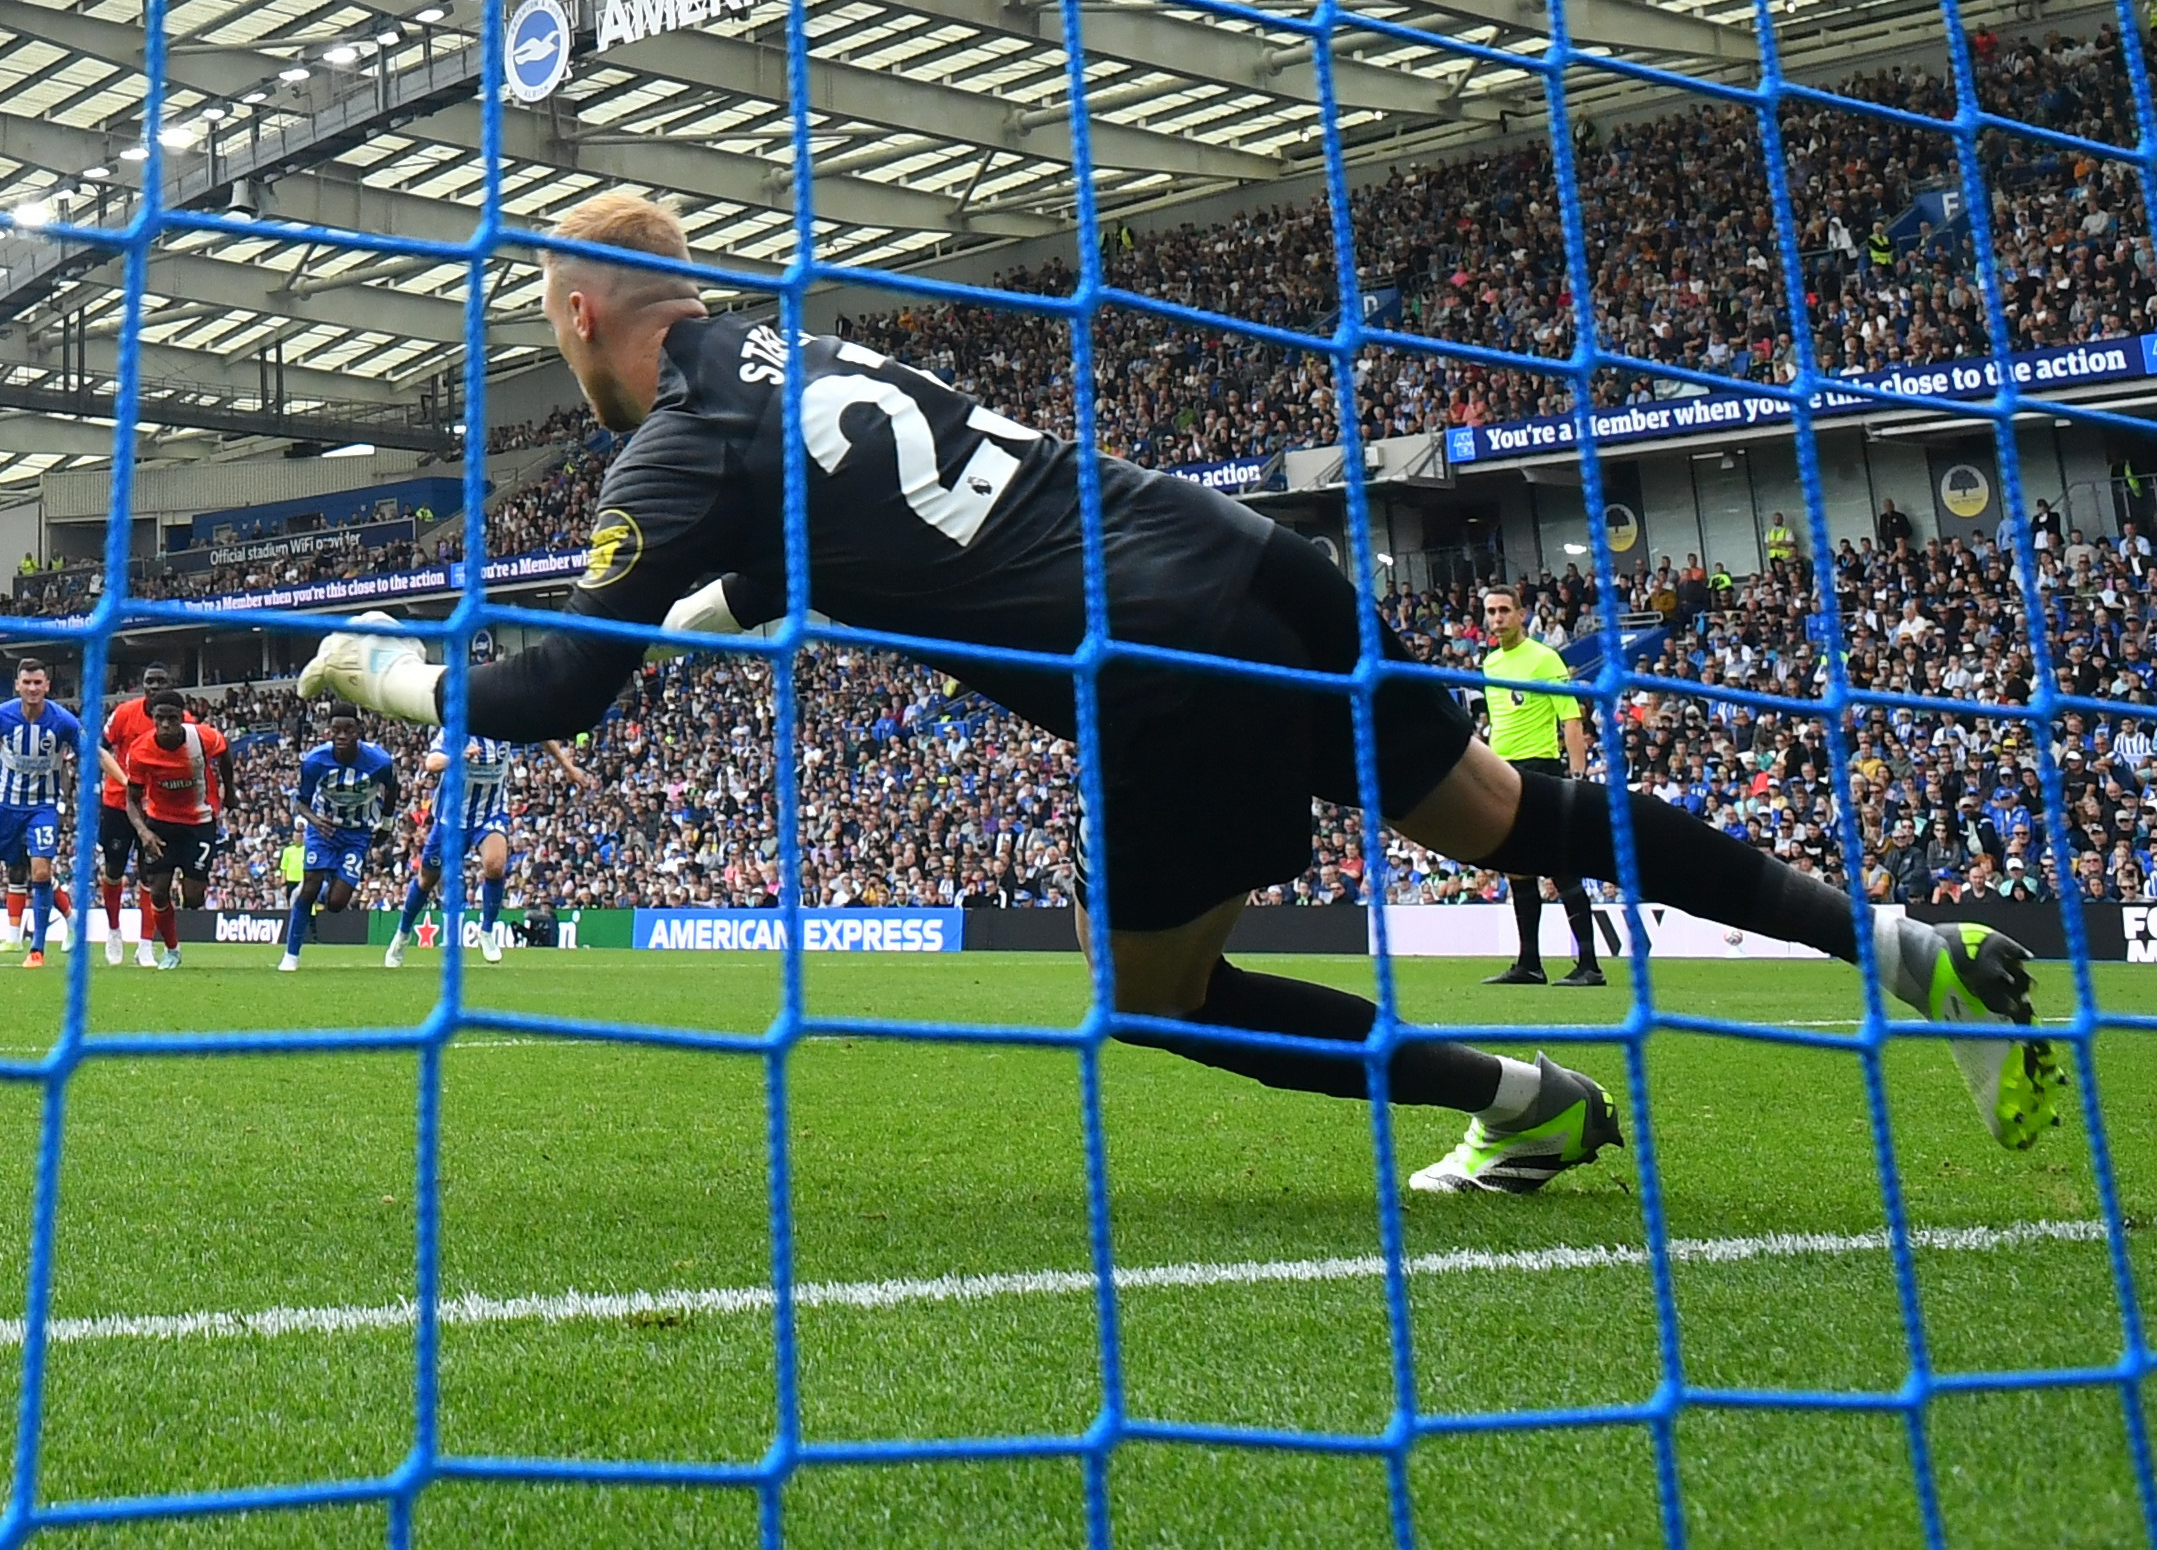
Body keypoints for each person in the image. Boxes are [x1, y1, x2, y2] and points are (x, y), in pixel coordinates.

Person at [300, 192, 2064, 1195]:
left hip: (1156, 661)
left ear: (591, 310)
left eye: (552, 331)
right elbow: (803, 550)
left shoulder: (676, 439)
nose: (562, 357)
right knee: (1515, 818)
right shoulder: (802, 353)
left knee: (1155, 997)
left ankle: (1514, 1098)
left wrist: (375, 667)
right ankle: (1907, 948)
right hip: (1244, 558)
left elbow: (547, 700)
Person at [391, 698, 593, 969]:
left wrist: (568, 767)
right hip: (451, 819)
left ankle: (486, 931)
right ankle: (402, 935)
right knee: (427, 879)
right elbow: (431, 762)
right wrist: (457, 757)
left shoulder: (507, 725)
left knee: (495, 866)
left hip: (490, 814)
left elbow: (543, 735)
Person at [1475, 587, 1608, 988]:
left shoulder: (1545, 658)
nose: (1497, 618)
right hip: (1503, 769)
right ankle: (1529, 963)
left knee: (1560, 862)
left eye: (1504, 610)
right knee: (1516, 866)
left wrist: (1578, 777)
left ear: (1521, 614)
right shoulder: (1490, 663)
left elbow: (1570, 718)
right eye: (1490, 612)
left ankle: (1590, 965)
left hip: (1541, 768)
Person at [0, 659, 78, 969]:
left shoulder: (63, 722)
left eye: (38, 682)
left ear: (47, 685)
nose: (33, 688)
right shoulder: (3, 716)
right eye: (27, 682)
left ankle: (37, 949)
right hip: (4, 805)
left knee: (41, 872)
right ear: (17, 685)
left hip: (43, 807)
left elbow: (86, 757)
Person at [285, 701, 401, 971]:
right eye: (335, 729)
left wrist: (386, 824)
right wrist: (315, 820)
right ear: (328, 731)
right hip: (323, 828)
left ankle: (318, 892)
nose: (341, 736)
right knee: (310, 885)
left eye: (348, 729)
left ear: (359, 730)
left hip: (357, 833)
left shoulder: (379, 761)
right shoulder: (315, 761)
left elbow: (392, 789)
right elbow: (300, 801)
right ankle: (291, 956)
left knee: (336, 903)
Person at [120, 689, 229, 971]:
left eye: (172, 718)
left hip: (200, 823)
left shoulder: (203, 738)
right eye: (160, 719)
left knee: (193, 900)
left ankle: (187, 882)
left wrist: (231, 791)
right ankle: (171, 950)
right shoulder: (140, 751)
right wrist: (144, 833)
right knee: (157, 891)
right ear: (152, 719)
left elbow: (224, 752)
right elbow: (131, 801)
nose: (166, 725)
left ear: (182, 718)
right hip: (161, 824)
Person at [90, 663, 170, 966]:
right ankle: (113, 931)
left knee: (151, 874)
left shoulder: (181, 720)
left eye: (161, 681)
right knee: (113, 870)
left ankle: (146, 943)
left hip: (157, 807)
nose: (155, 686)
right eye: (150, 681)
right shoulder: (124, 713)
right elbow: (100, 748)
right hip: (118, 802)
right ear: (143, 684)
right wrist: (122, 778)